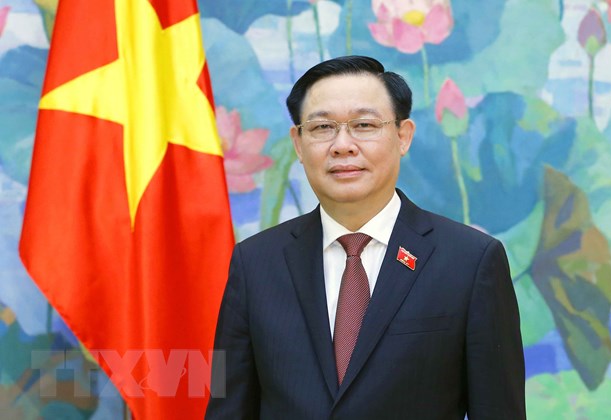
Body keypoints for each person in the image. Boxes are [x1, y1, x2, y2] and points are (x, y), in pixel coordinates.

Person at [205, 55, 525, 419]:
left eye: (364, 125)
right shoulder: (254, 263)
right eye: (322, 127)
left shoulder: (470, 261)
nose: (342, 145)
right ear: (298, 143)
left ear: (403, 136)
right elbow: (227, 407)